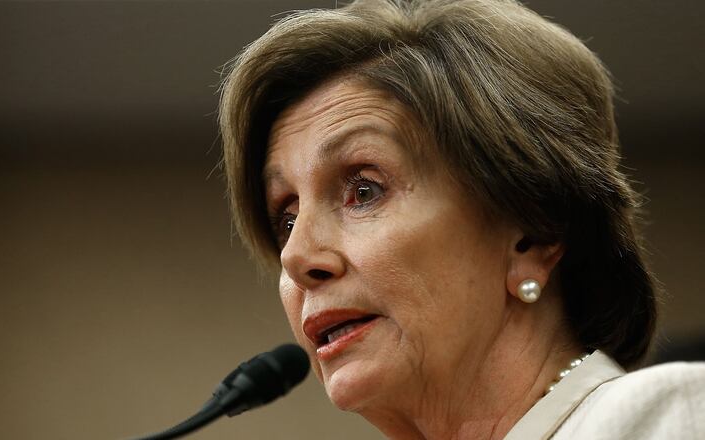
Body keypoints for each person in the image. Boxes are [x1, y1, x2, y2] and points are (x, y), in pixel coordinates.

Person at [217, 0, 705, 438]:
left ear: (533, 234)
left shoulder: (667, 419)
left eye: (363, 190)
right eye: (286, 218)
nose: (297, 256)